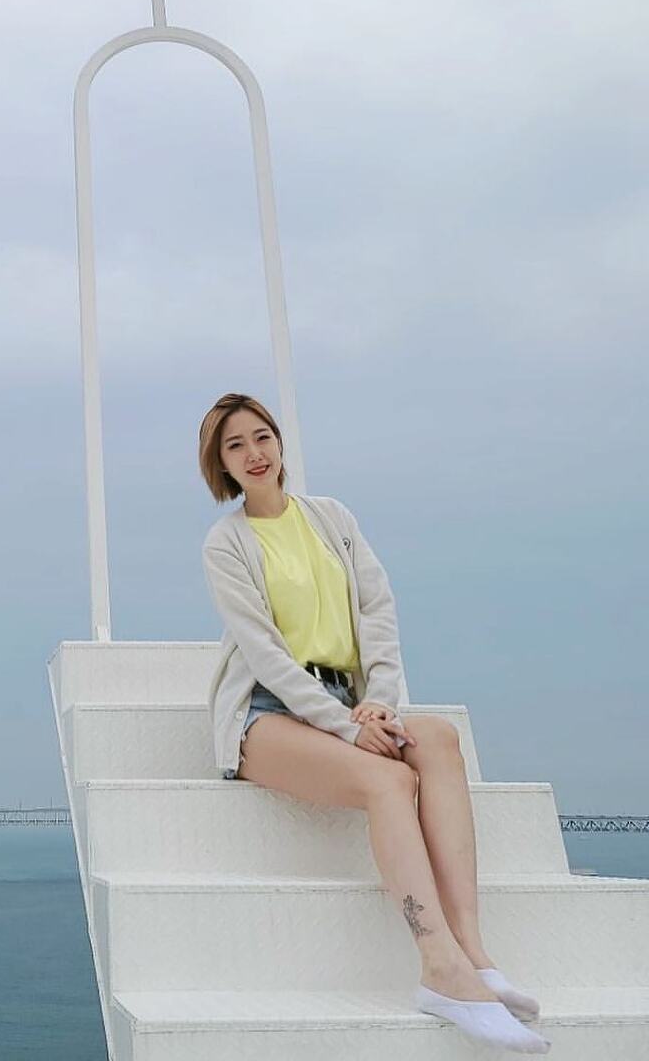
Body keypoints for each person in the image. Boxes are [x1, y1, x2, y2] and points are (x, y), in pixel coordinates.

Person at [199, 393, 549, 1054]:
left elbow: (377, 612)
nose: (254, 453)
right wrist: (343, 726)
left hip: (348, 702)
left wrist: (379, 704)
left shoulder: (332, 518)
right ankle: (438, 968)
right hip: (266, 713)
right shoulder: (226, 543)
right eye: (235, 445)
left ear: (280, 442)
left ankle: (474, 955)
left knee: (437, 739)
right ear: (220, 464)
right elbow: (264, 653)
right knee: (389, 782)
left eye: (262, 436)